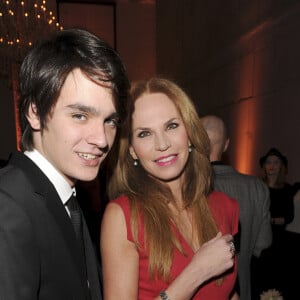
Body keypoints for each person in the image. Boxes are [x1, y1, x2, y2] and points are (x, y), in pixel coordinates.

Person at [0, 28, 129, 299]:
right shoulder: (8, 206)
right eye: (80, 115)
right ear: (35, 113)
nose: (102, 140)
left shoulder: (65, 197)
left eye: (110, 121)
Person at [100, 77, 240, 300]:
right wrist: (196, 273)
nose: (162, 144)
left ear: (190, 134)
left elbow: (227, 293)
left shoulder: (224, 206)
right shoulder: (123, 217)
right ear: (133, 150)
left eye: (171, 126)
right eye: (144, 133)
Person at [200, 115, 272, 300]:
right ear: (226, 145)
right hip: (243, 286)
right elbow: (263, 243)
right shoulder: (257, 187)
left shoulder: (191, 188)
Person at [256, 148, 294, 299]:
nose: (272, 165)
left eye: (276, 162)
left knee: (278, 279)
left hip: (279, 241)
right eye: (268, 162)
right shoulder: (257, 186)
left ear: (282, 166)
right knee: (260, 278)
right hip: (259, 239)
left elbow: (289, 216)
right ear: (264, 166)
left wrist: (271, 220)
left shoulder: (287, 189)